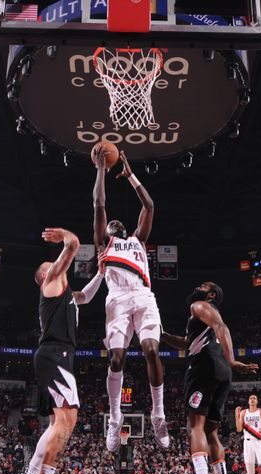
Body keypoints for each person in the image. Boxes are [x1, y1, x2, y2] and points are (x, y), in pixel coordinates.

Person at [5, 227, 104, 474]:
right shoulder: (50, 283)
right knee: (67, 420)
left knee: (54, 425)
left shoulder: (65, 296)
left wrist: (99, 273)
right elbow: (72, 245)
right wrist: (65, 236)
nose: (59, 267)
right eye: (54, 266)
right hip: (56, 354)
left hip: (56, 356)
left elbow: (84, 297)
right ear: (45, 276)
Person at [161, 281, 258, 474]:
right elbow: (186, 343)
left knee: (194, 427)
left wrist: (233, 359)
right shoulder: (199, 319)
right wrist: (162, 336)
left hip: (204, 367)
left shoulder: (199, 305)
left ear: (211, 295)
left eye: (205, 285)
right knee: (212, 432)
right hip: (221, 372)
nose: (198, 286)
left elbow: (221, 326)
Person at [92, 149, 169, 452]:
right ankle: (114, 418)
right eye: (111, 223)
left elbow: (149, 205)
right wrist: (100, 169)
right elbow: (99, 203)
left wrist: (130, 175)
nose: (115, 223)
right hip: (118, 300)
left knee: (151, 349)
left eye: (117, 223)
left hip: (144, 295)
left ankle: (158, 415)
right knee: (117, 359)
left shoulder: (137, 240)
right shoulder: (104, 243)